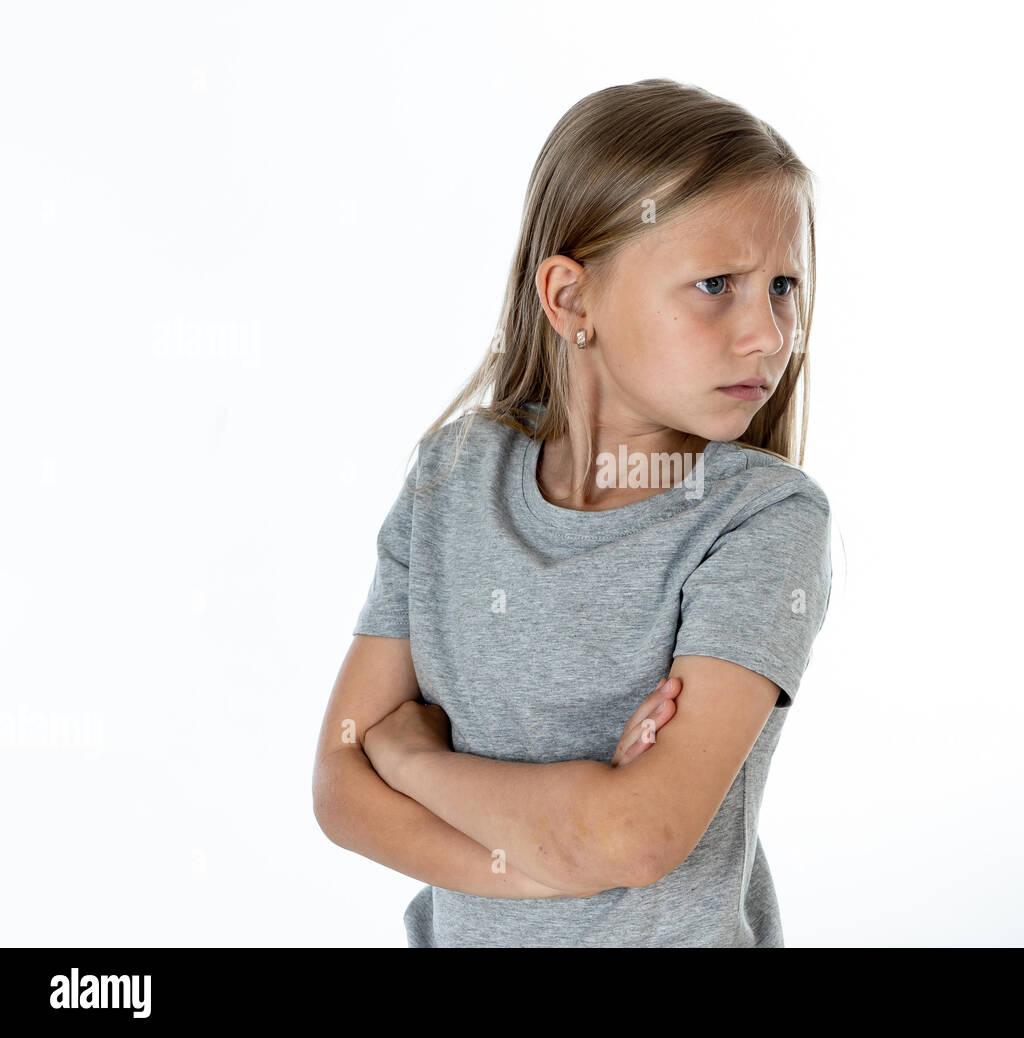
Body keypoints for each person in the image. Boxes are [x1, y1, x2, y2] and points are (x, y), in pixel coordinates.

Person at [312, 78, 834, 947]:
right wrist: (549, 855)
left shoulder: (763, 522)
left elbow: (636, 835)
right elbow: (337, 784)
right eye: (717, 285)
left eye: (782, 287)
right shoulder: (452, 477)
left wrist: (411, 759)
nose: (768, 335)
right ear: (571, 299)